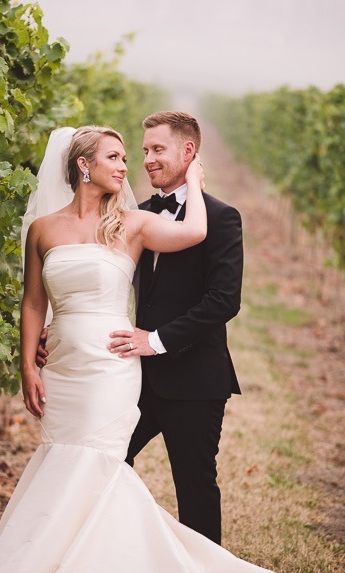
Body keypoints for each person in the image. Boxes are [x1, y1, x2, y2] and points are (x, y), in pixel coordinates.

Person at [0, 125, 330, 573]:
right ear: (82, 165)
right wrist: (30, 357)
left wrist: (198, 185)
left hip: (141, 372)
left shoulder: (144, 221)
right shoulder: (51, 227)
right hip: (69, 372)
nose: (136, 162)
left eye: (151, 150)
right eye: (124, 153)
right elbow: (35, 299)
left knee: (167, 482)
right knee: (77, 474)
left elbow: (219, 290)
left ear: (187, 152)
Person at [107, 111, 243, 545]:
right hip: (136, 378)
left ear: (189, 152)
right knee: (106, 462)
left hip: (195, 380)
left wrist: (157, 341)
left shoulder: (222, 218)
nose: (147, 159)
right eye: (144, 150)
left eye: (157, 149)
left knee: (195, 490)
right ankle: (116, 557)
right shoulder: (139, 215)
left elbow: (223, 301)